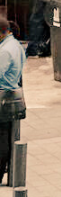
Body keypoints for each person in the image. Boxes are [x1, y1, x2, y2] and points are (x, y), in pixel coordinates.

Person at [0, 15, 26, 185]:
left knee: (2, 139)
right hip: (13, 96)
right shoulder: (16, 45)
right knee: (7, 136)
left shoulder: (4, 51)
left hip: (4, 97)